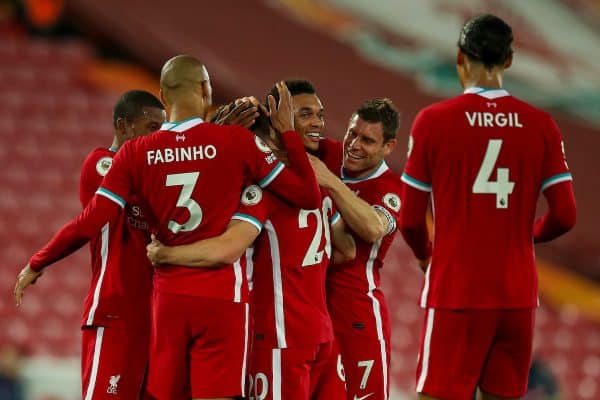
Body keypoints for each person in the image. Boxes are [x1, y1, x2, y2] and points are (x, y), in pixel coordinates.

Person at [14, 54, 320, 400]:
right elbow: (307, 196)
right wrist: (289, 135)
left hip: (169, 296)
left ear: (162, 96)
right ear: (206, 89)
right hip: (222, 295)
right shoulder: (236, 142)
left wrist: (38, 262)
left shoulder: (135, 153)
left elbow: (90, 221)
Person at [399, 14, 576, 400]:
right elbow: (565, 215)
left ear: (461, 57)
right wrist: (524, 236)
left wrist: (424, 255)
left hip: (457, 289)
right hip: (516, 293)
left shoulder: (433, 122)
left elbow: (410, 220)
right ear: (509, 61)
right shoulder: (542, 125)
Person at [147, 103, 354, 400]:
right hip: (321, 332)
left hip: (280, 334)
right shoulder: (317, 185)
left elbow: (226, 249)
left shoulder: (260, 192)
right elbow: (346, 250)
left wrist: (165, 254)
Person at [15, 90, 165, 400]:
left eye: (163, 129)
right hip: (115, 314)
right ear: (124, 126)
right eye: (152, 127)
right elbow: (89, 222)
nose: (159, 136)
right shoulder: (103, 163)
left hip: (158, 318)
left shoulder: (157, 175)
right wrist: (38, 261)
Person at [308, 98, 402, 400]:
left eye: (368, 140)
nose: (354, 145)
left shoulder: (391, 188)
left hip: (356, 318)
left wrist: (332, 183)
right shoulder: (332, 155)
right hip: (311, 311)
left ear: (389, 147)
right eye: (352, 134)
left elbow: (373, 227)